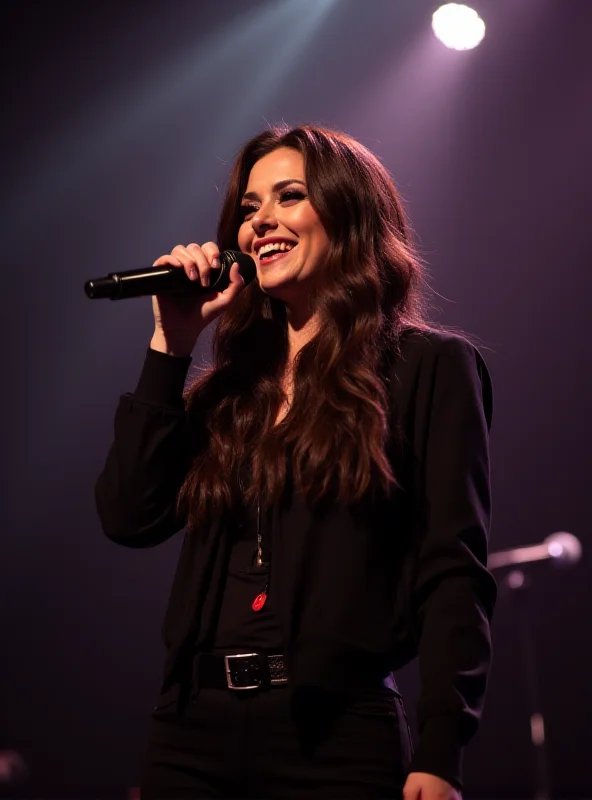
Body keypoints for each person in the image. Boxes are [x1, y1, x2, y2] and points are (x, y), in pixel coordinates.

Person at [95, 124, 496, 799]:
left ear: (350, 213)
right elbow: (129, 515)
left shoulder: (425, 369)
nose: (261, 223)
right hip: (192, 732)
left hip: (336, 735)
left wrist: (440, 748)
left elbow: (454, 567)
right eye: (249, 209)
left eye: (289, 197)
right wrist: (170, 346)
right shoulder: (229, 390)